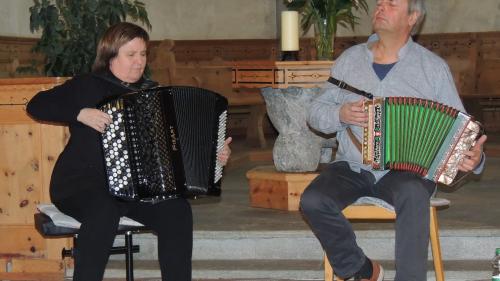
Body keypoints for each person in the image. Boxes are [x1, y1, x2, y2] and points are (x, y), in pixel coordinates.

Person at [27, 22, 232, 281]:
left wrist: (213, 157)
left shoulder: (151, 94)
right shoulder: (87, 85)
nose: (139, 62)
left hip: (134, 191)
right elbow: (37, 104)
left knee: (177, 211)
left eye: (143, 54)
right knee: (104, 210)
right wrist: (79, 113)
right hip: (79, 185)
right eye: (131, 55)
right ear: (110, 55)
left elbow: (174, 151)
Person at [300, 0, 487, 280]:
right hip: (353, 166)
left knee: (414, 193)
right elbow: (315, 113)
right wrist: (341, 113)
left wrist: (475, 159)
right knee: (313, 200)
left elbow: (460, 132)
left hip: (407, 171)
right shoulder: (350, 60)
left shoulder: (432, 68)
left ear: (412, 17)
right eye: (379, 3)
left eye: (392, 4)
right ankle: (361, 269)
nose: (380, 7)